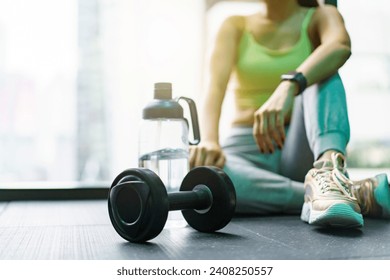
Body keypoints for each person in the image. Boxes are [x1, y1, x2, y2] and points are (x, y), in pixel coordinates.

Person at [190, 0, 390, 228]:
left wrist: (290, 85)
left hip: (301, 145)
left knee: (323, 68)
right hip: (245, 150)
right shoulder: (234, 25)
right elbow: (214, 88)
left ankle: (328, 170)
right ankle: (344, 195)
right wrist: (209, 141)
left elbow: (340, 46)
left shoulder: (320, 16)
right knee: (206, 175)